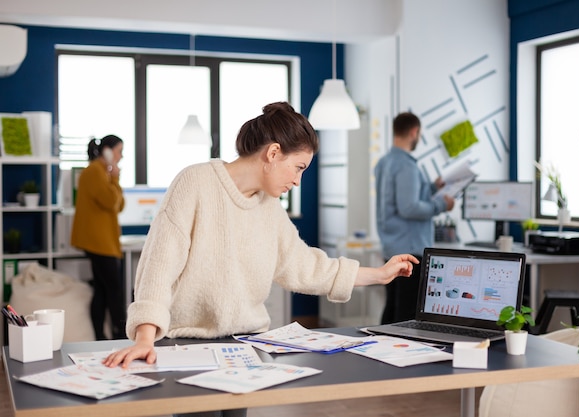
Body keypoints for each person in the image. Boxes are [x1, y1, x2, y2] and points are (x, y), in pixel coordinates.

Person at [103, 102, 417, 417]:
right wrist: (144, 337)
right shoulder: (195, 182)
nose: (297, 181)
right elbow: (158, 267)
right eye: (299, 167)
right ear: (273, 153)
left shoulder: (269, 208)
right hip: (187, 348)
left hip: (243, 349)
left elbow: (306, 266)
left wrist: (379, 274)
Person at [374, 112, 455, 325]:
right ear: (414, 132)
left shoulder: (385, 162)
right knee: (407, 312)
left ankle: (382, 351)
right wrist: (442, 205)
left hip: (392, 246)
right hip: (410, 250)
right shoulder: (407, 166)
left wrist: (432, 187)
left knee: (392, 307)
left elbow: (402, 198)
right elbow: (409, 207)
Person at [71, 134, 127, 340]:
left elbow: (120, 205)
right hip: (99, 242)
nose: (121, 156)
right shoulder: (95, 172)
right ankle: (121, 336)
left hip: (102, 241)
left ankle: (100, 338)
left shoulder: (102, 172)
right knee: (114, 292)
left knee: (103, 291)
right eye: (119, 151)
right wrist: (114, 177)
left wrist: (113, 177)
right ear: (107, 151)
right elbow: (112, 202)